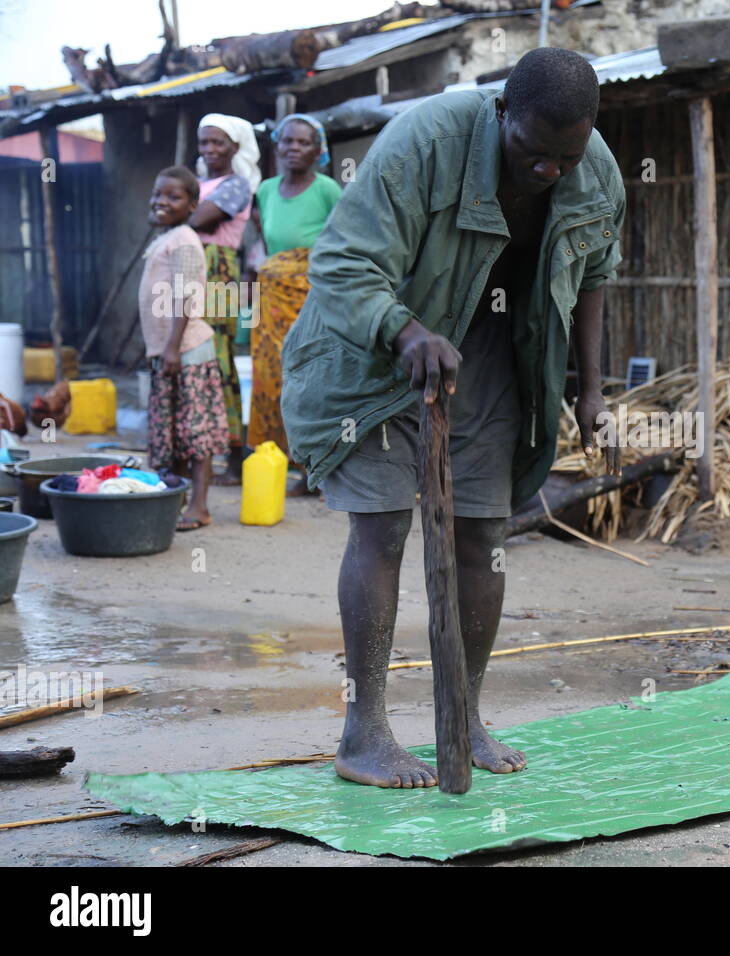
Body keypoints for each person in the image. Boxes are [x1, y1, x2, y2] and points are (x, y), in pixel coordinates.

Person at [281, 48, 624, 789]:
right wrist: (406, 334)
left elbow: (595, 273)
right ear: (501, 111)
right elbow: (341, 263)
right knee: (382, 525)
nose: (549, 173)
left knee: (481, 534)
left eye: (565, 157)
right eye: (533, 153)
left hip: (492, 359)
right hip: (377, 355)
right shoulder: (425, 142)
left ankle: (462, 718)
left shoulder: (591, 167)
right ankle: (363, 732)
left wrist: (591, 388)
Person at [250, 113, 342, 496]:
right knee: (272, 378)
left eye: (303, 142)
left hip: (313, 300)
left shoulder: (327, 190)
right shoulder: (266, 189)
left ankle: (316, 469)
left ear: (319, 150)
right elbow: (266, 249)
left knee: (312, 379)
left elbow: (341, 243)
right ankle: (275, 458)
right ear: (277, 145)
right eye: (287, 141)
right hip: (272, 304)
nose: (293, 149)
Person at [139, 166, 228, 530]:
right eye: (158, 194)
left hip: (187, 350)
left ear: (193, 205)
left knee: (195, 432)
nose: (162, 201)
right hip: (168, 350)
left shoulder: (186, 240)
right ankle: (172, 501)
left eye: (173, 197)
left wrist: (173, 347)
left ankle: (200, 506)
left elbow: (186, 295)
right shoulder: (168, 236)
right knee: (171, 432)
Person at [190, 113, 260, 486]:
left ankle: (234, 459)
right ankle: (203, 453)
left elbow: (197, 220)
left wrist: (173, 210)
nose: (210, 149)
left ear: (235, 146)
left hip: (217, 274)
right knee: (193, 359)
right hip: (190, 272)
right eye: (204, 142)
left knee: (218, 362)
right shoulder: (202, 182)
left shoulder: (236, 185)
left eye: (218, 142)